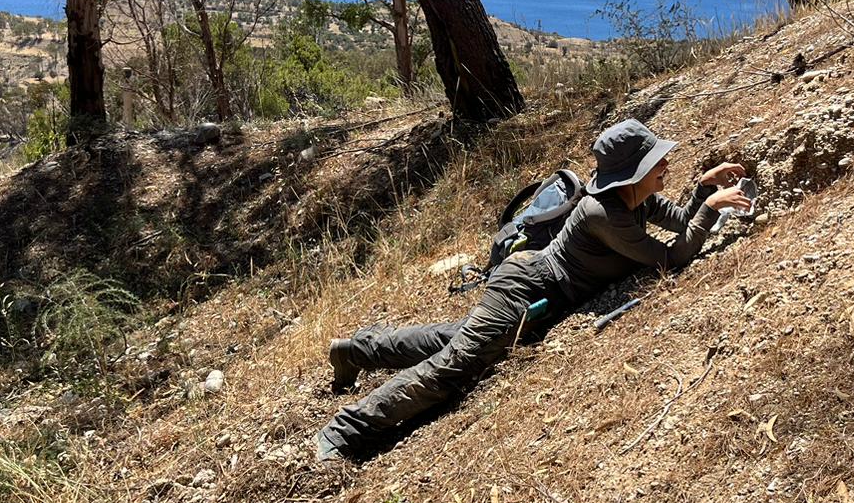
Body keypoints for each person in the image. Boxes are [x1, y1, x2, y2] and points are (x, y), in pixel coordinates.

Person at [314, 118, 751, 461]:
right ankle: (344, 430)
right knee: (455, 365)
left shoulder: (636, 198)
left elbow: (680, 226)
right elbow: (672, 258)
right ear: (634, 173)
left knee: (451, 338)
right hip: (525, 286)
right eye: (658, 162)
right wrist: (711, 208)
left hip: (536, 289)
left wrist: (703, 189)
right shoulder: (602, 212)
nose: (666, 166)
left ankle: (356, 351)